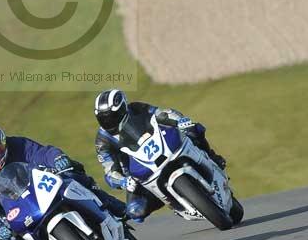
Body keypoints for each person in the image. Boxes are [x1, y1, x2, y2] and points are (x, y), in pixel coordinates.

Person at [93, 89, 226, 222]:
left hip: (161, 146)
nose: (108, 122)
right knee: (135, 212)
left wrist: (180, 121)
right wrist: (122, 181)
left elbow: (162, 114)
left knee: (194, 129)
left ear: (123, 108)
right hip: (137, 176)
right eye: (103, 119)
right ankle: (174, 203)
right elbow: (109, 172)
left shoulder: (136, 109)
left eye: (111, 116)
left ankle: (212, 157)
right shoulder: (102, 140)